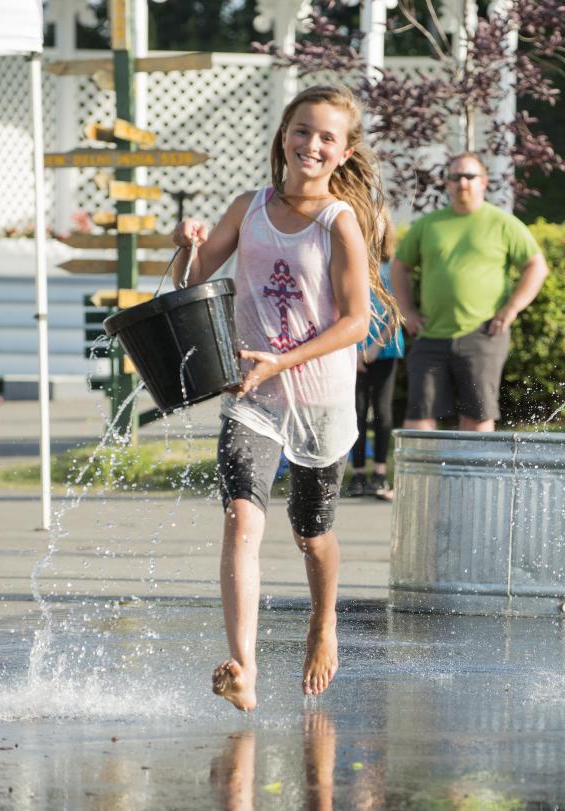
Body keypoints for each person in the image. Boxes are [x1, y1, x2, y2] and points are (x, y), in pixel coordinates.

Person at [171, 84, 394, 710]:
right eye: (302, 131)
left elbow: (356, 320)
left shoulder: (339, 222)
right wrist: (184, 239)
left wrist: (285, 360)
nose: (312, 145)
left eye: (327, 137)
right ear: (284, 137)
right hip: (251, 394)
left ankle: (323, 624)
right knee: (242, 517)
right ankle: (242, 664)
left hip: (320, 399)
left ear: (345, 153)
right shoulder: (249, 207)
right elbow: (194, 278)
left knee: (310, 534)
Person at [390, 152, 549, 433]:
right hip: (432, 334)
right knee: (418, 417)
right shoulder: (428, 225)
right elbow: (399, 265)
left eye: (469, 176)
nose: (462, 182)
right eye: (455, 177)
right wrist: (407, 311)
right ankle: (425, 478)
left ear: (484, 182)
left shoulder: (503, 223)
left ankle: (475, 478)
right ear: (448, 184)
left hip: (483, 334)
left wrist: (510, 310)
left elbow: (536, 266)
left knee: (477, 416)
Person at [345, 210, 403, 501]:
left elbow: (396, 310)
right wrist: (355, 350)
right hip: (353, 351)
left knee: (381, 411)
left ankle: (380, 471)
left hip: (385, 348)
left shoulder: (391, 267)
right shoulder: (349, 262)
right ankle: (357, 473)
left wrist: (376, 345)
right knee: (355, 411)